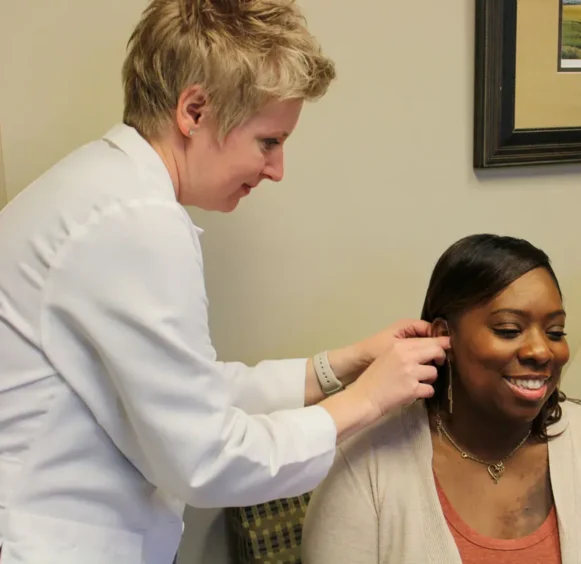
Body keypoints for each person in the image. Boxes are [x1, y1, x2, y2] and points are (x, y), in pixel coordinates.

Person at [0, 1, 449, 563]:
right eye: (269, 141)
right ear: (194, 110)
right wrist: (366, 401)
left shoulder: (100, 189)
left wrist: (340, 366)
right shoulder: (134, 221)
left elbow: (186, 391)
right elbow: (205, 458)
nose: (278, 170)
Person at [300, 234, 581, 564]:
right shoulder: (362, 468)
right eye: (508, 329)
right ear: (443, 337)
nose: (540, 350)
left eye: (555, 331)